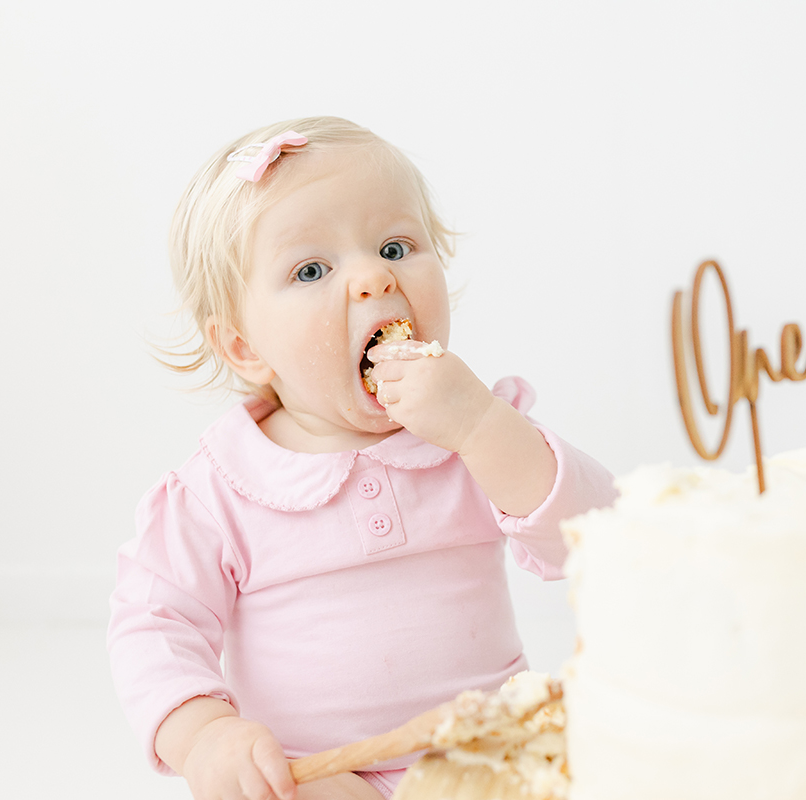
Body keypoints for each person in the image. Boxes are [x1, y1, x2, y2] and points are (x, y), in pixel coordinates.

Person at [107, 116, 616, 800]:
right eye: (312, 269)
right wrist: (204, 734)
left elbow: (599, 539)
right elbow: (153, 624)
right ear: (243, 347)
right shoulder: (217, 492)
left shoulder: (475, 434)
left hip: (492, 751)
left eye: (396, 245)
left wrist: (482, 427)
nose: (375, 277)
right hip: (319, 772)